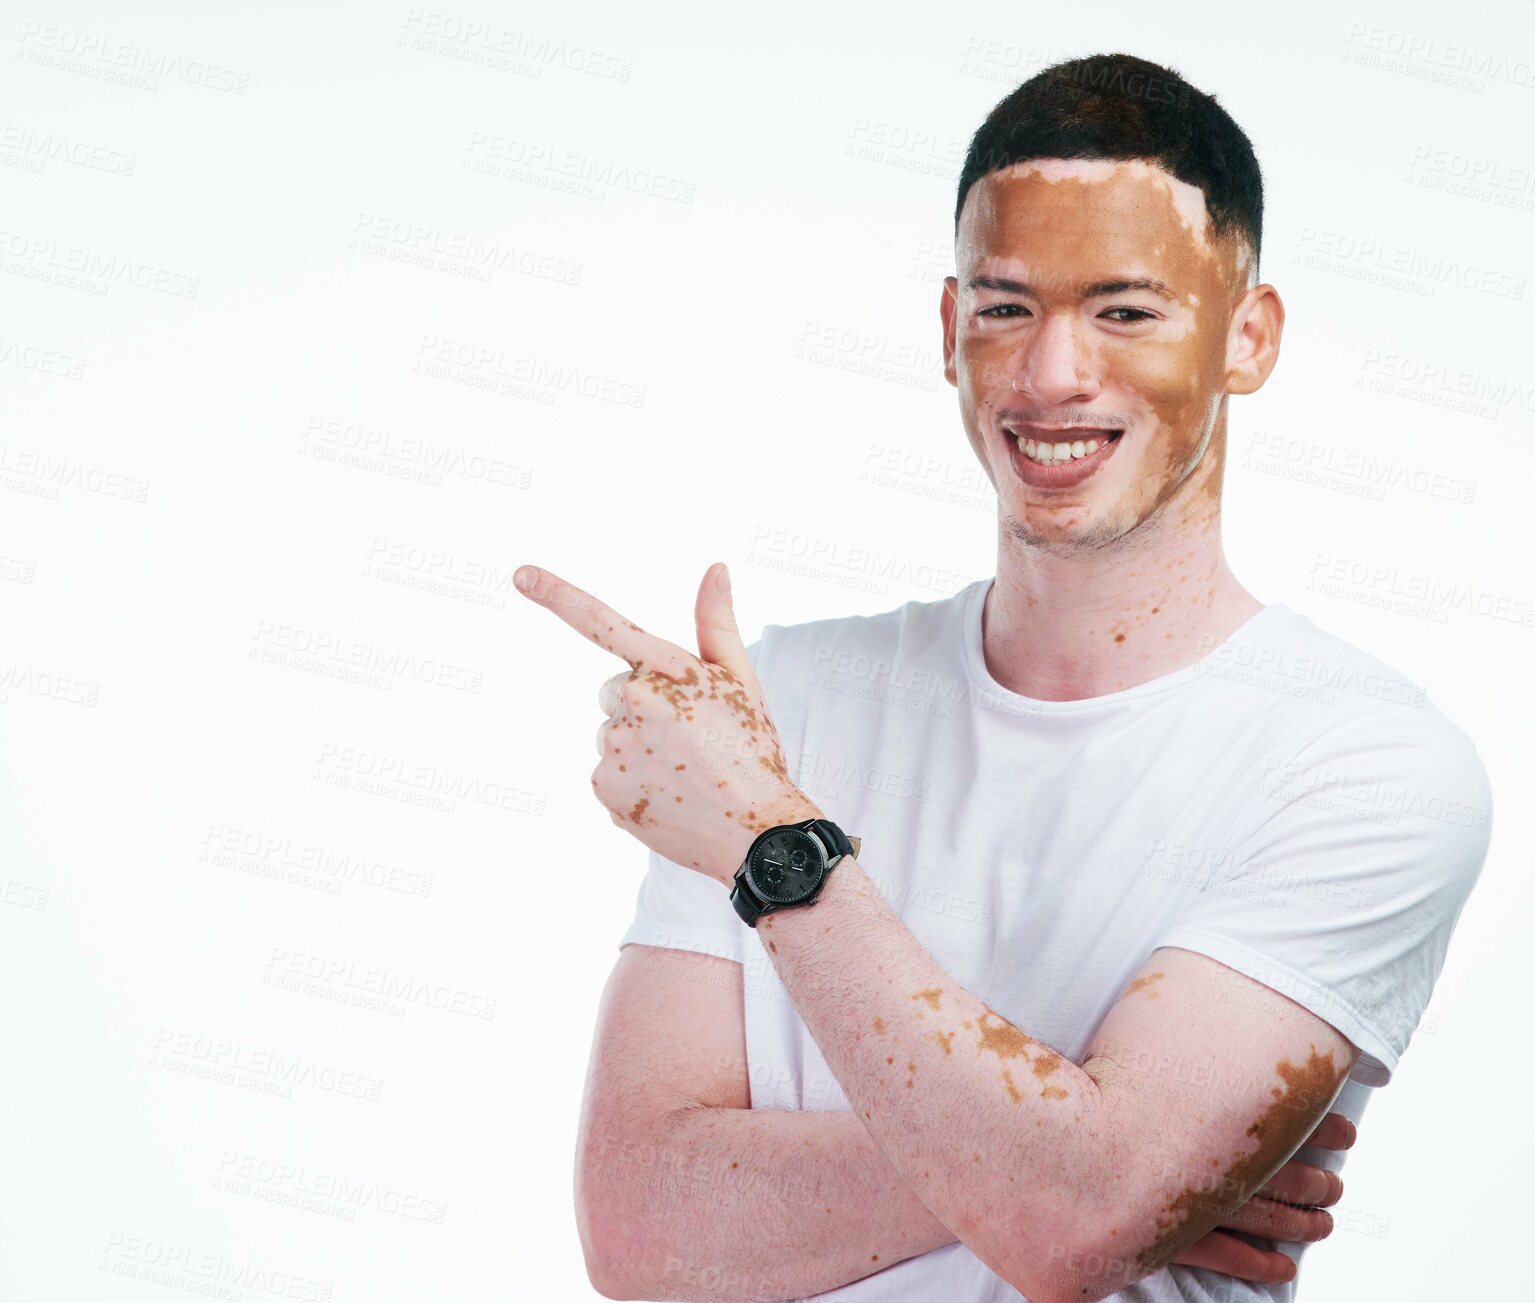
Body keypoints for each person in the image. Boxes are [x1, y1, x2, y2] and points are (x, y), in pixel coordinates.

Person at [524, 50, 1493, 1302]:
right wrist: (1092, 1172)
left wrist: (772, 835)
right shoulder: (773, 703)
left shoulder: (1368, 766)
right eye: (1003, 306)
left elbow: (1068, 1219)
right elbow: (643, 1233)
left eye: (1124, 309)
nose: (1049, 375)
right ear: (947, 329)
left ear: (1245, 337)